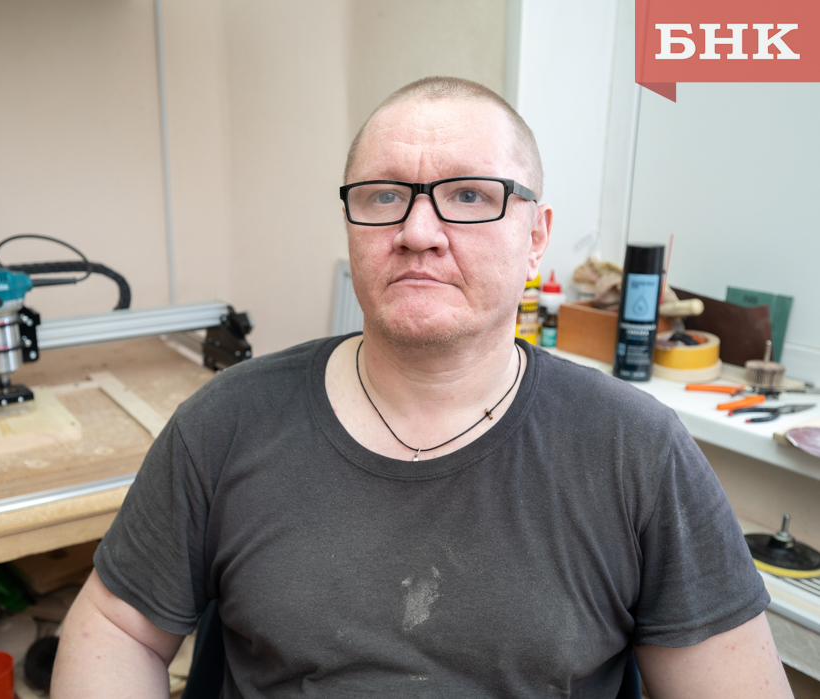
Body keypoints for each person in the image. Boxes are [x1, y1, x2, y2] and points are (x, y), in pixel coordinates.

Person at [52, 77, 791, 698]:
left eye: (468, 195)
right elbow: (117, 629)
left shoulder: (636, 450)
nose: (418, 230)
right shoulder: (224, 425)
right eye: (384, 195)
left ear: (536, 236)